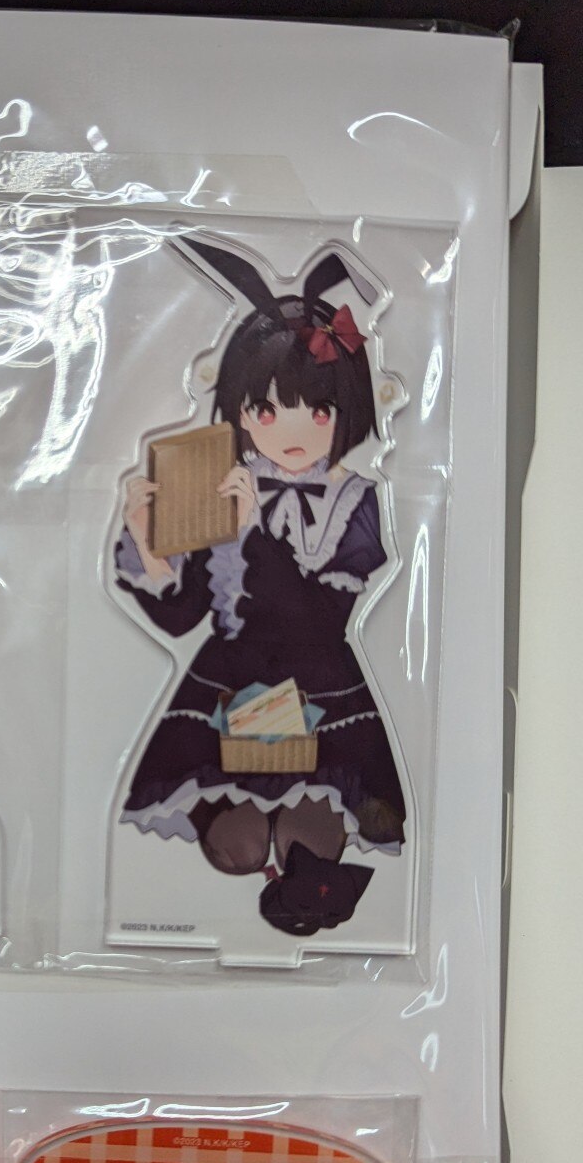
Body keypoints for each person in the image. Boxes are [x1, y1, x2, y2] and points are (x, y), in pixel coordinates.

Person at [114, 240, 406, 933]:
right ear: (240, 413)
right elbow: (183, 618)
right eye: (268, 412)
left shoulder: (357, 502)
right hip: (226, 683)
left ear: (345, 413)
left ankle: (306, 894)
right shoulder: (218, 483)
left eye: (318, 412)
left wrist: (253, 536)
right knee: (237, 847)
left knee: (315, 834)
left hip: (323, 687)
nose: (293, 431)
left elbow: (322, 620)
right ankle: (265, 886)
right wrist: (149, 541)